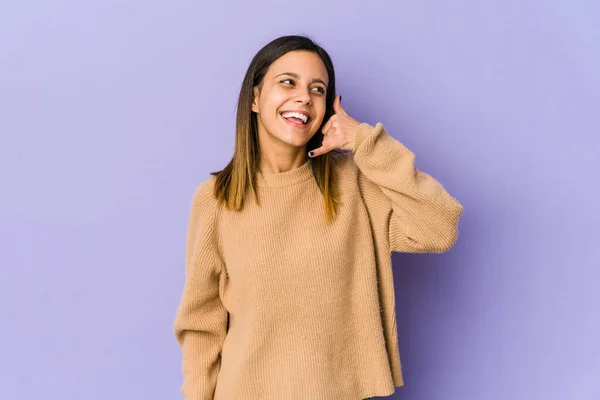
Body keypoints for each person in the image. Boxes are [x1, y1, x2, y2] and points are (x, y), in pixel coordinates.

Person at [173, 34, 463, 400]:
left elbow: (439, 227)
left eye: (317, 89)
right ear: (255, 98)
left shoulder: (356, 182)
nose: (303, 97)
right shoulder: (215, 201)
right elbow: (201, 324)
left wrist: (365, 140)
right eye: (287, 82)